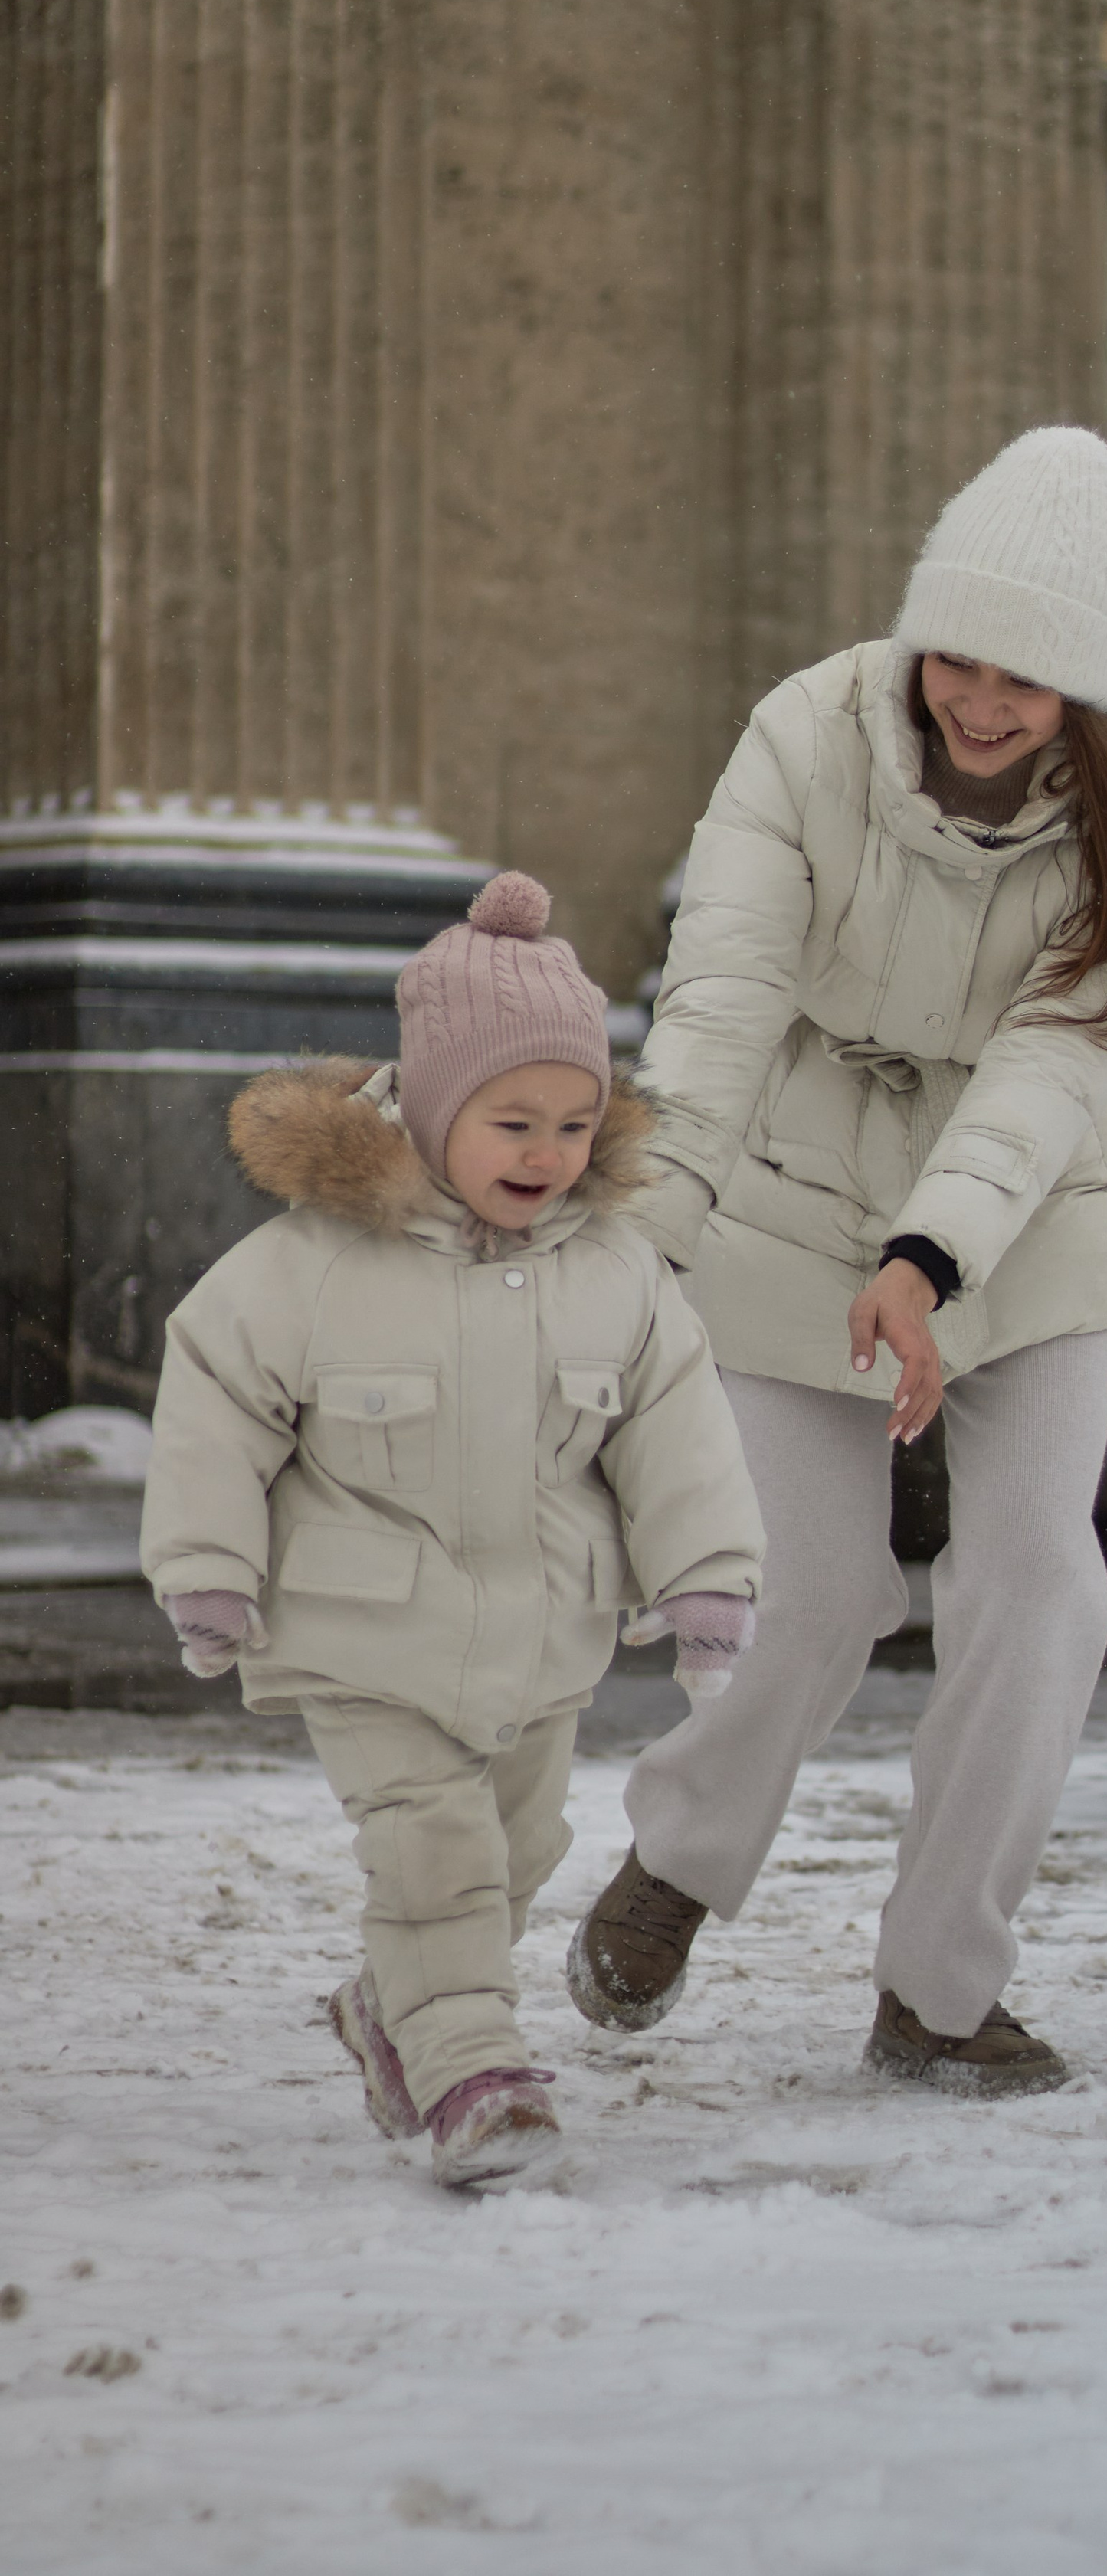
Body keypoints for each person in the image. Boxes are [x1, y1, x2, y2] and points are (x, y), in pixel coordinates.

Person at [566, 426, 1107, 2096]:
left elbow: (1050, 1074)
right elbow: (713, 1013)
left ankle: (938, 1989)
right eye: (959, 658)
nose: (979, 704)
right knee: (817, 1589)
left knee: (1035, 1588)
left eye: (1026, 678)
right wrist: (633, 1256)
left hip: (1037, 1222)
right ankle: (678, 1867)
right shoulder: (805, 735)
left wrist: (929, 1260)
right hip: (789, 1195)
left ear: (1089, 687)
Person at [141, 874, 765, 2189]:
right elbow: (214, 1398)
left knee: (516, 1854)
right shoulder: (313, 1263)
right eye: (513, 1121)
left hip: (543, 1638)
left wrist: (705, 1581)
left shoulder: (617, 1270)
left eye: (576, 1123)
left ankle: (392, 2009)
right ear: (432, 1111)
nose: (547, 1152)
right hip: (363, 1631)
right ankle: (476, 2075)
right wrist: (206, 1567)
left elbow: (677, 1427)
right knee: (436, 1854)